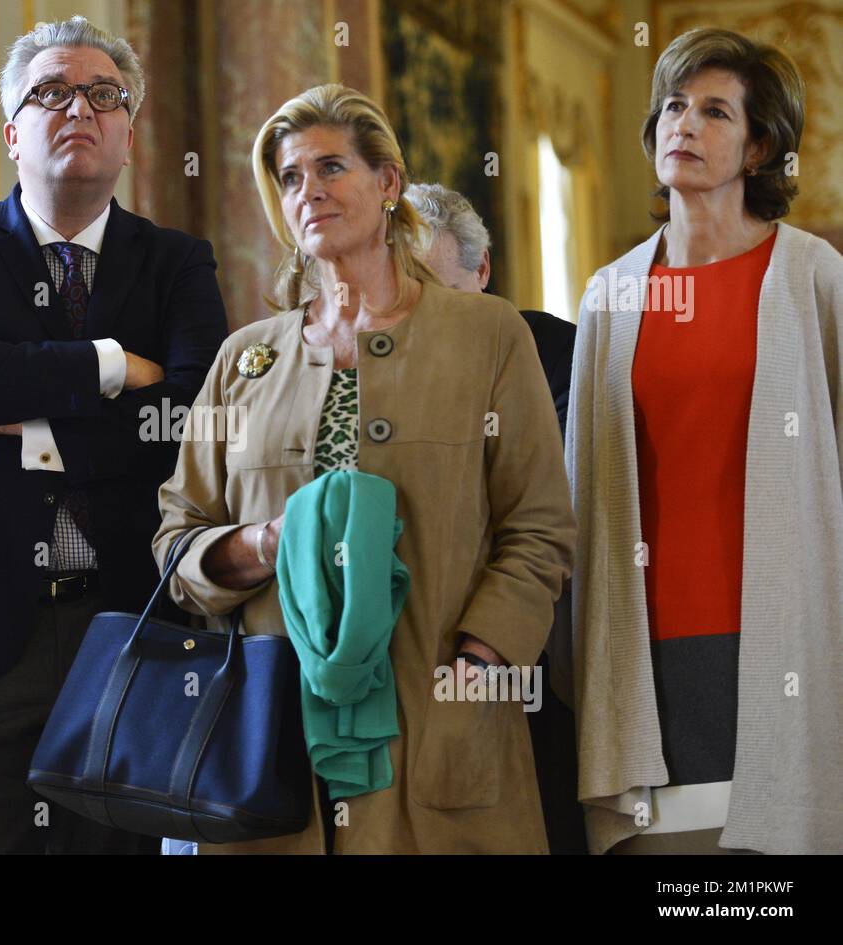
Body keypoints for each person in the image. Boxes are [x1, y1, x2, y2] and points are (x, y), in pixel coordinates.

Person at [152, 84, 574, 854]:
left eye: (330, 167)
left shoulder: (487, 334)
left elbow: (539, 524)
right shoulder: (243, 360)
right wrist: (265, 544)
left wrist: (482, 659)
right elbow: (178, 536)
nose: (307, 191)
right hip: (273, 747)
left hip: (441, 729)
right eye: (288, 177)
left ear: (387, 184)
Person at [0, 16, 228, 855]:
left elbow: (189, 419)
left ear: (131, 135)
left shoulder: (179, 263)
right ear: (12, 132)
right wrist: (112, 362)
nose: (80, 108)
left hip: (130, 620)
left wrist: (34, 427)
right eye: (52, 92)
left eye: (104, 95)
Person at [559, 27, 843, 854]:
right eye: (674, 106)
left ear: (759, 147)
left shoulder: (812, 276)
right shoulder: (610, 294)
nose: (683, 123)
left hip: (786, 634)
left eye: (715, 111)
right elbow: (582, 485)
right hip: (641, 645)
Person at [406, 181, 583, 854]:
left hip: (528, 659)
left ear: (480, 271)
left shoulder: (556, 351)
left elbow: (543, 505)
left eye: (430, 284)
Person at [407, 182, 575, 435]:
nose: (427, 320)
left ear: (482, 269)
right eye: (409, 301)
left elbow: (568, 470)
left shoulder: (556, 352)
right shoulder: (380, 366)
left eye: (446, 300)